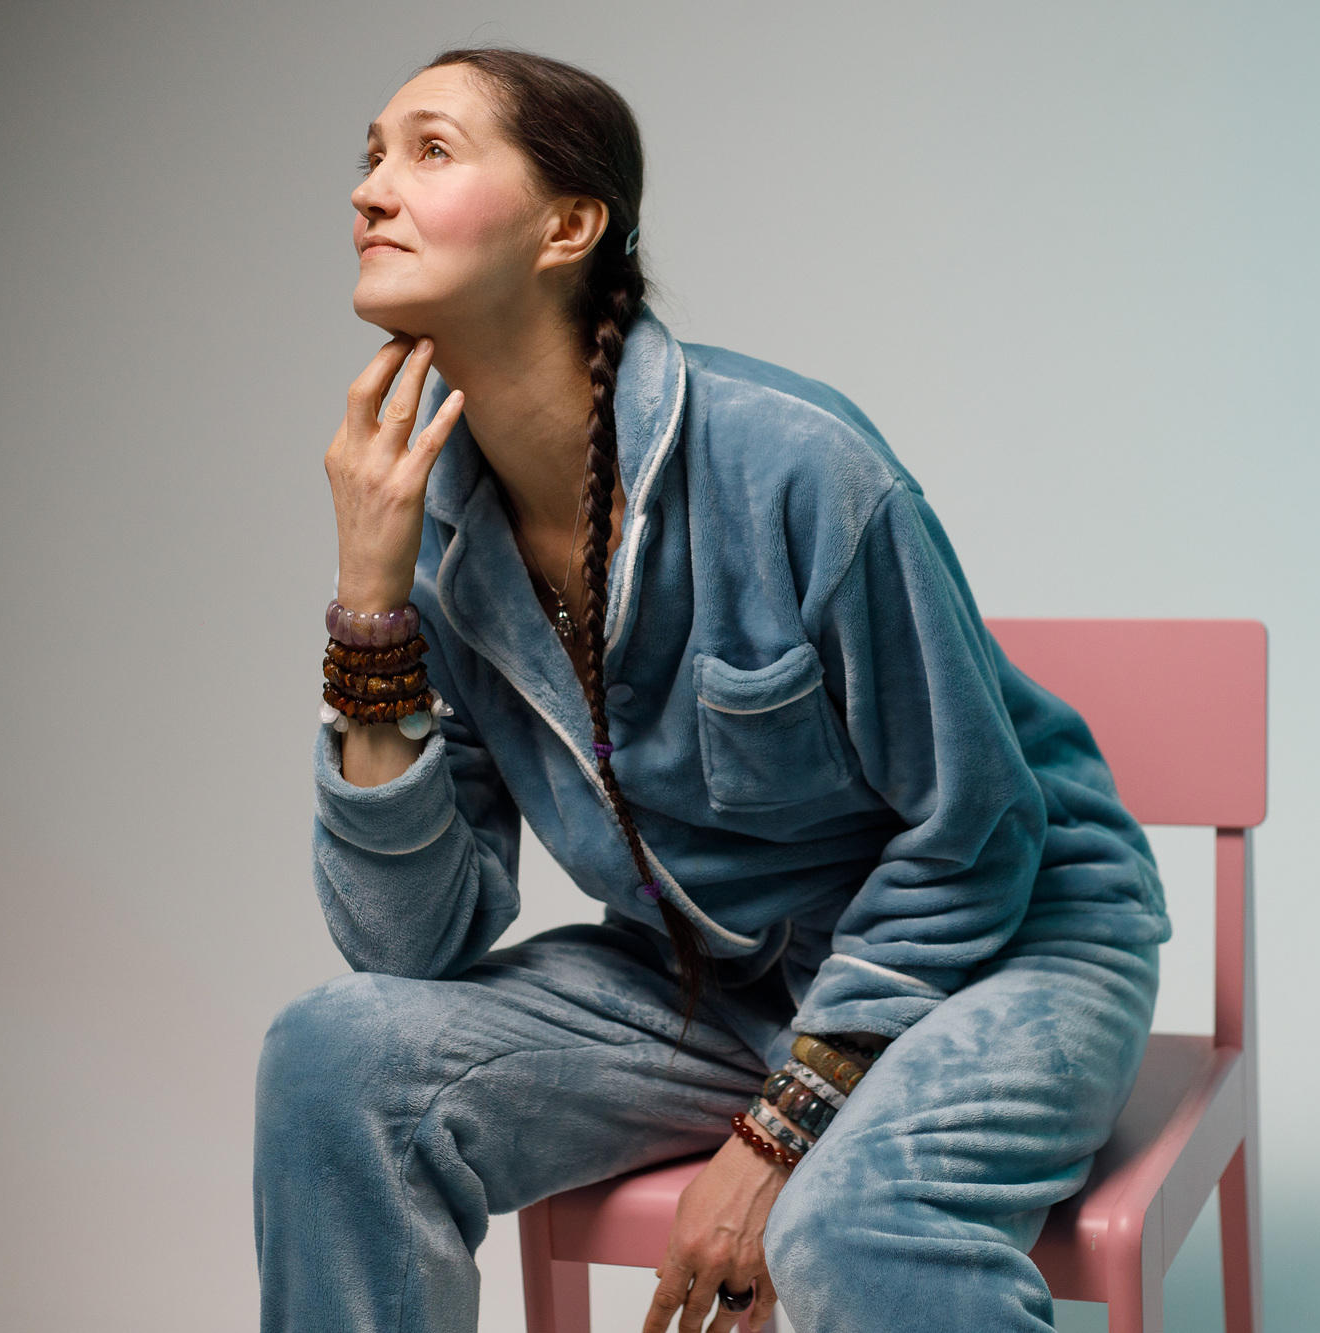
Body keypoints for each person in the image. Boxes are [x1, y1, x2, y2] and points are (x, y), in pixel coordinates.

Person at [253, 44, 1172, 1333]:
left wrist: (786, 1124)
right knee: (332, 1061)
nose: (369, 189)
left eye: (431, 150)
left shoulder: (798, 466)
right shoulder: (436, 539)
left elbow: (980, 834)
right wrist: (371, 604)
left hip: (995, 950)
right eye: (370, 157)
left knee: (853, 1226)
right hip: (707, 982)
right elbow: (410, 947)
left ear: (569, 228)